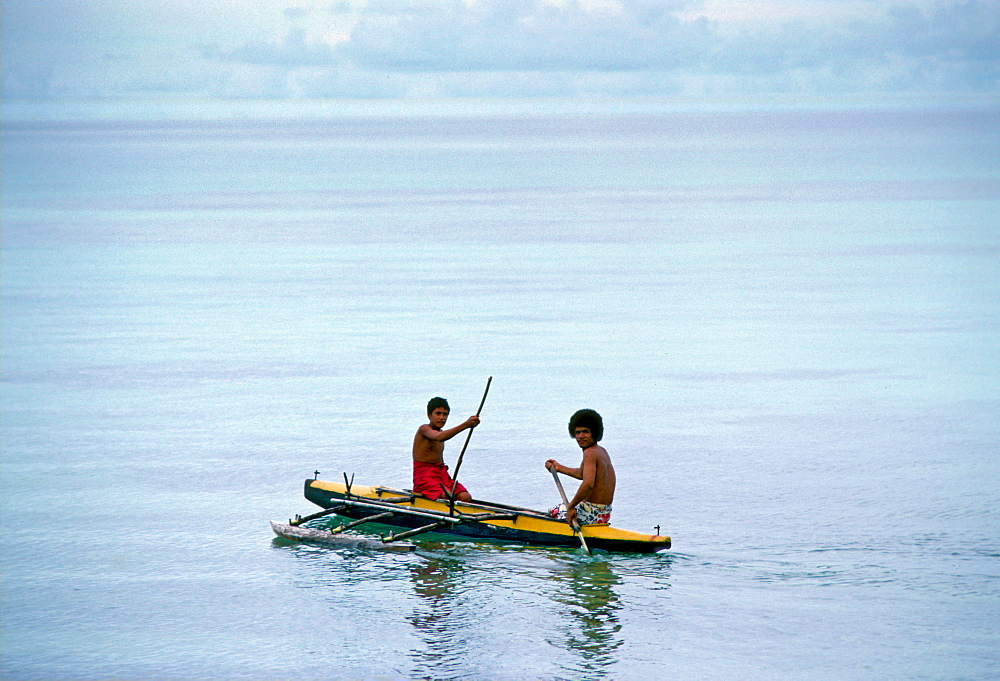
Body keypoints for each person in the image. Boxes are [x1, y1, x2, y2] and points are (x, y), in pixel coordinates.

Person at [545, 409, 616, 527]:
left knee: (553, 512)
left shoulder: (590, 453)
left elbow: (588, 484)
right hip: (604, 514)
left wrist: (572, 507)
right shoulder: (600, 451)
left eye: (585, 432)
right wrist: (559, 467)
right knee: (559, 508)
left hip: (591, 514)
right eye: (577, 433)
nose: (580, 436)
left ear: (594, 432)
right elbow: (582, 474)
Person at [412, 396, 480, 502]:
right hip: (425, 477)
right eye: (438, 413)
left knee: (465, 497)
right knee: (448, 496)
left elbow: (442, 437)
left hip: (441, 475)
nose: (442, 417)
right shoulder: (424, 429)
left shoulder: (442, 432)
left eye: (445, 414)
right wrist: (466, 425)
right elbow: (440, 437)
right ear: (429, 415)